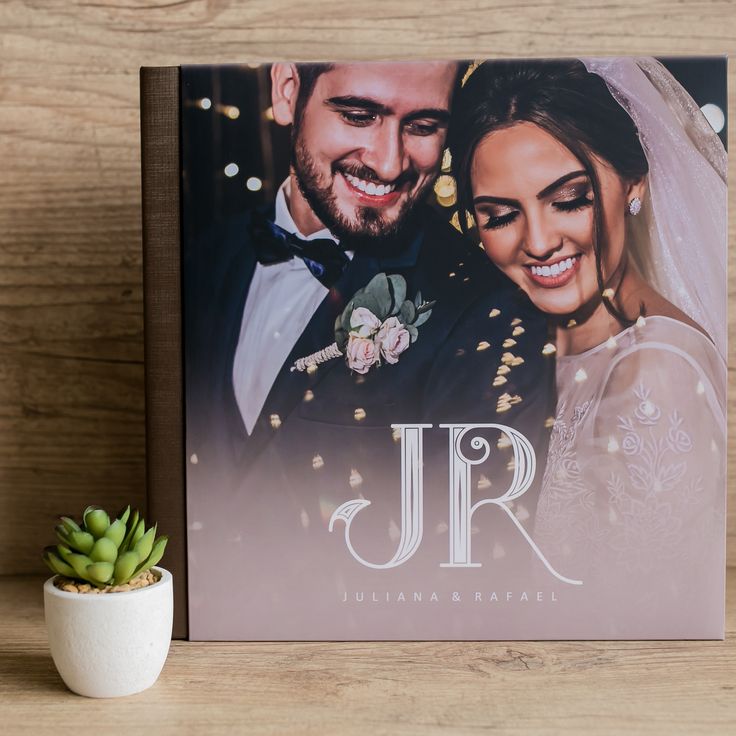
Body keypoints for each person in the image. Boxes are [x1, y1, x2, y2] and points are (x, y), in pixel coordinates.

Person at [183, 62, 554, 639]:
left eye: (423, 126)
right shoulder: (201, 258)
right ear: (288, 92)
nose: (388, 161)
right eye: (358, 115)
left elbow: (475, 589)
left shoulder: (488, 311)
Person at [449, 58, 727, 637]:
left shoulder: (655, 373)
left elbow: (653, 633)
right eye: (500, 215)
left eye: (569, 199)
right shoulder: (517, 346)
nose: (540, 242)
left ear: (634, 181)